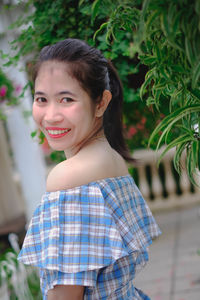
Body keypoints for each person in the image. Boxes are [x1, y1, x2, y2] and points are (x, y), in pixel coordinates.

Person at [18, 38, 161, 300]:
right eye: (41, 99)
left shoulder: (69, 178)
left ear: (101, 103)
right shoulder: (112, 159)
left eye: (66, 99)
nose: (51, 116)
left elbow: (65, 296)